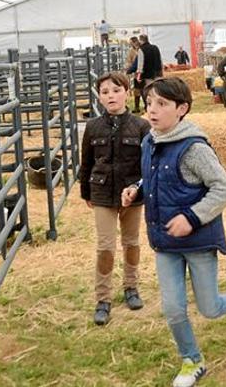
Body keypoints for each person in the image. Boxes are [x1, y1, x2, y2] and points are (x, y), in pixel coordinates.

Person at [121, 78, 226, 387]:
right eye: (148, 103)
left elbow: (223, 188)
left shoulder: (194, 148)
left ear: (182, 109)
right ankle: (191, 360)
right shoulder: (150, 142)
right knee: (172, 307)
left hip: (198, 241)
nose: (152, 111)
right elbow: (152, 180)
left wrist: (192, 218)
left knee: (209, 308)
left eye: (161, 104)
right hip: (165, 241)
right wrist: (136, 191)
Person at [79, 72, 151, 326]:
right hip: (102, 193)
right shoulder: (92, 127)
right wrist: (86, 192)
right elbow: (86, 162)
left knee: (131, 242)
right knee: (105, 246)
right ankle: (103, 298)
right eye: (105, 92)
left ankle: (131, 287)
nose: (111, 96)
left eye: (116, 90)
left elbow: (148, 163)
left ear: (127, 93)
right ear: (100, 97)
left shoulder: (142, 127)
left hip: (132, 194)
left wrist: (141, 190)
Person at [126, 37, 145, 112]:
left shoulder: (142, 49)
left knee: (144, 90)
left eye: (131, 43)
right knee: (137, 90)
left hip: (143, 72)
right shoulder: (131, 51)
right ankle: (137, 107)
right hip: (136, 73)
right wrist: (129, 68)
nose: (131, 44)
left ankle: (146, 106)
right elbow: (129, 61)